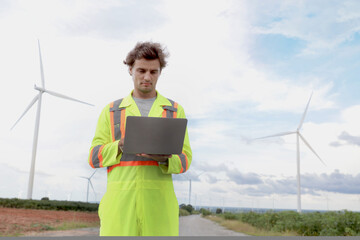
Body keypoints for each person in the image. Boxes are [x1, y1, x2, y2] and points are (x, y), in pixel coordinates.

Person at [88, 41, 192, 236]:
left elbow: (186, 160)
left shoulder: (175, 110)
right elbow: (94, 157)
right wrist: (120, 145)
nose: (147, 77)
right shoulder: (111, 111)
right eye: (141, 70)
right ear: (130, 69)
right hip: (119, 207)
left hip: (159, 207)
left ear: (160, 72)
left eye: (153, 72)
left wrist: (164, 159)